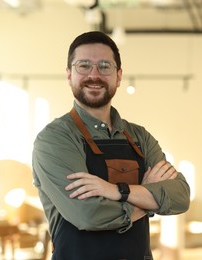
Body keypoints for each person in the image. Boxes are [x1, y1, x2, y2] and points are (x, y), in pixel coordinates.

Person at [32, 31, 191, 260]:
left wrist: (117, 191)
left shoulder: (139, 137)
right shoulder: (55, 139)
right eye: (84, 65)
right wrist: (146, 200)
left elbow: (180, 196)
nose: (94, 75)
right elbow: (89, 214)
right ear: (69, 75)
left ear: (118, 76)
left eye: (104, 66)